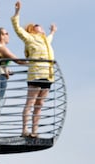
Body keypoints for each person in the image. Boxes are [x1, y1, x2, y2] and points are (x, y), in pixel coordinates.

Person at [11, 1, 56, 138]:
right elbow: (17, 29)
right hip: (36, 74)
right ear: (32, 29)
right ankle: (25, 129)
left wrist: (52, 31)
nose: (40, 27)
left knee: (40, 104)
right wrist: (17, 13)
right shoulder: (29, 38)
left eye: (40, 26)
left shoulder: (45, 40)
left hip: (48, 75)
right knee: (30, 102)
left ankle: (35, 131)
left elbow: (50, 37)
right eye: (37, 26)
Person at [0, 27, 22, 106]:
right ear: (1, 36)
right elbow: (18, 61)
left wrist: (7, 70)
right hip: (0, 78)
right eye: (6, 33)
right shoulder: (2, 48)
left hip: (1, 76)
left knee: (0, 100)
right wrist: (34, 62)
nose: (8, 36)